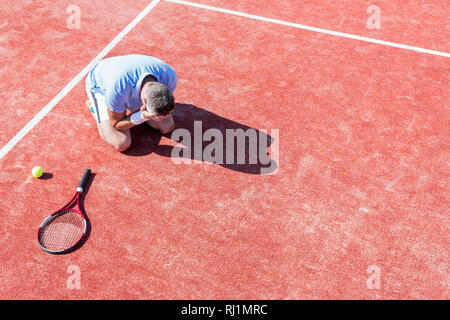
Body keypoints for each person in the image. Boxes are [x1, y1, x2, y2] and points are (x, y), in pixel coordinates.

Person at [85, 54, 177, 152]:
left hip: (127, 76)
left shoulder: (170, 77)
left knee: (167, 127)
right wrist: (142, 116)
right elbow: (116, 123)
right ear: (144, 102)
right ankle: (95, 107)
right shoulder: (117, 90)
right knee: (121, 142)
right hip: (100, 85)